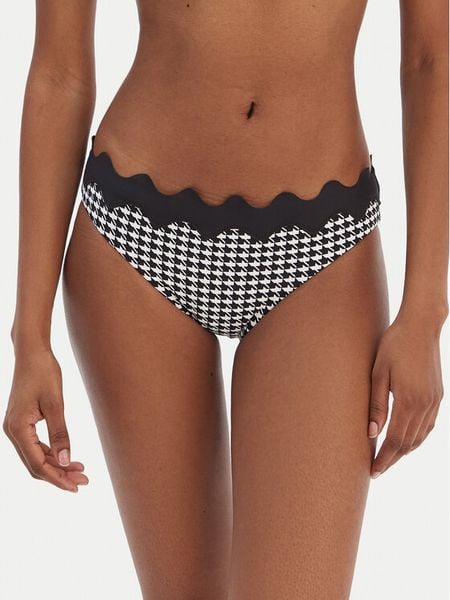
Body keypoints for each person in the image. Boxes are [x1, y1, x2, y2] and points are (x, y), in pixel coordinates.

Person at [3, 1, 448, 598]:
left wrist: (425, 312)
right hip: (137, 238)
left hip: (325, 247)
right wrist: (30, 336)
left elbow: (431, 60)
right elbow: (59, 73)